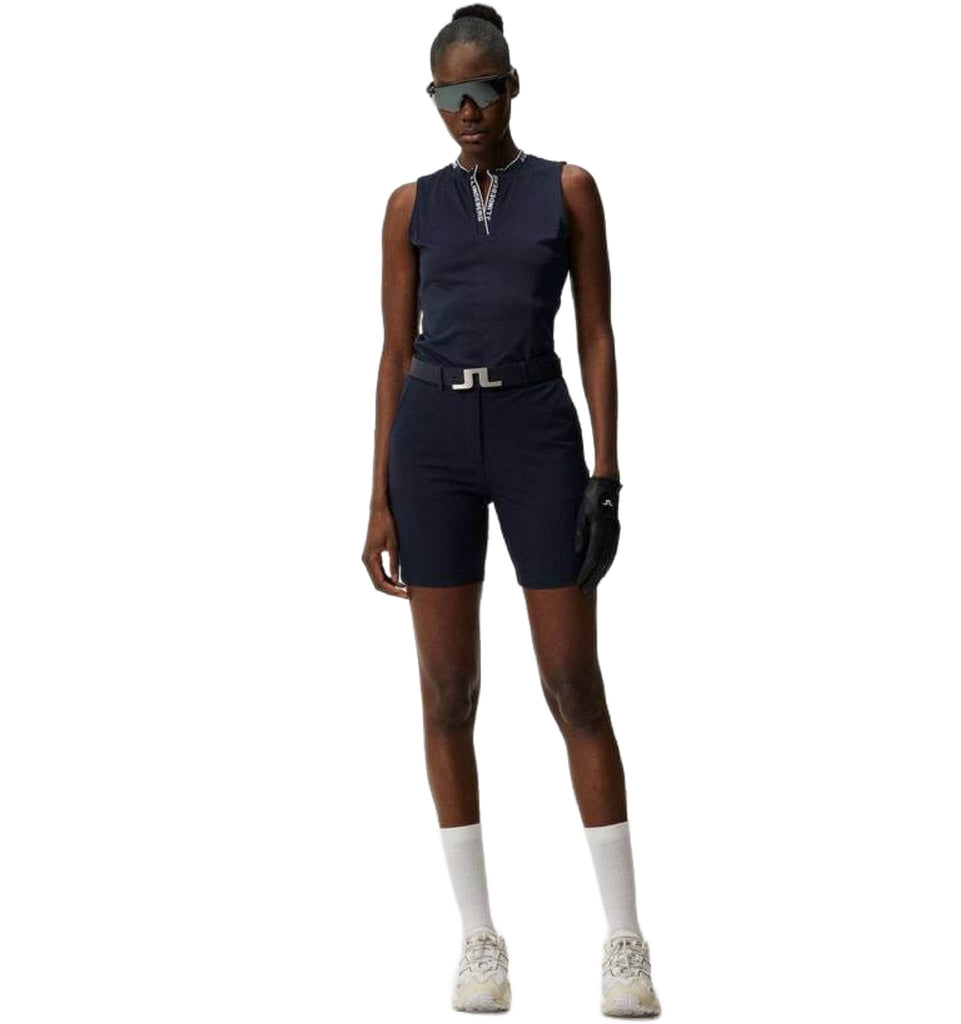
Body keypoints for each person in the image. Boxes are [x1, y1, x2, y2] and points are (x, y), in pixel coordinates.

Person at [362, 5, 661, 1016]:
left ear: (511, 85)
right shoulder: (409, 206)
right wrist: (378, 496)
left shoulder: (566, 189)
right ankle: (478, 938)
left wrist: (606, 473)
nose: (467, 109)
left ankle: (624, 939)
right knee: (447, 694)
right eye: (447, 94)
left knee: (574, 685)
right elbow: (393, 350)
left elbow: (597, 333)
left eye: (481, 88)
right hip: (432, 442)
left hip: (537, 431)